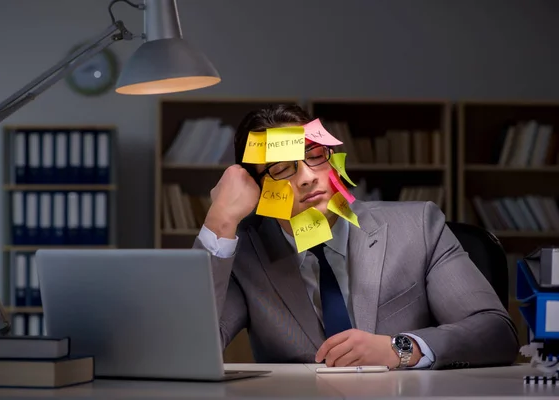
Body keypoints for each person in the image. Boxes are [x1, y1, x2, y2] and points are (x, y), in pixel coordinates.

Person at [192, 104, 519, 369]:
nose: (306, 178)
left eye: (316, 156)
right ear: (257, 189)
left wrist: (400, 349)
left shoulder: (418, 226)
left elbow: (496, 332)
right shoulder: (244, 255)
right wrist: (220, 219)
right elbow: (190, 347)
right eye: (281, 169)